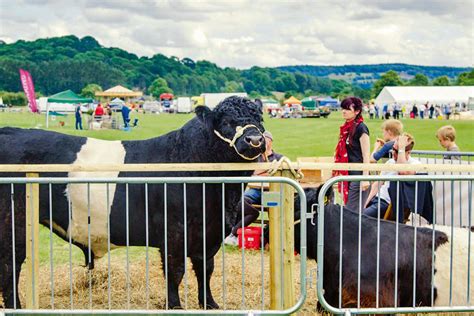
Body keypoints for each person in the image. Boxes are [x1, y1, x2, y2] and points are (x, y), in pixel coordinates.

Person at [224, 131, 283, 246]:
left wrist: (261, 172)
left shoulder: (279, 157)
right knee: (241, 202)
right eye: (263, 140)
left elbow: (286, 170)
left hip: (272, 191)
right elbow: (252, 173)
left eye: (267, 140)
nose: (264, 142)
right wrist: (266, 171)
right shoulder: (255, 157)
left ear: (271, 142)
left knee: (275, 207)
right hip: (256, 189)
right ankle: (232, 233)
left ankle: (269, 238)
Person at [364, 133, 421, 219]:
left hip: (388, 204)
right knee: (353, 213)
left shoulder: (415, 164)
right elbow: (377, 184)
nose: (393, 153)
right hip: (377, 199)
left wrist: (401, 148)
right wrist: (365, 203)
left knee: (360, 217)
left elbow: (402, 171)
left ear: (408, 152)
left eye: (397, 151)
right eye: (393, 149)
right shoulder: (390, 162)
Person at [334, 97, 370, 212]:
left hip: (358, 175)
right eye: (343, 109)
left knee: (351, 213)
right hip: (348, 174)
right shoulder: (345, 129)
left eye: (347, 109)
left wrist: (365, 177)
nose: (344, 111)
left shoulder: (361, 128)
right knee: (351, 212)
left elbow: (366, 154)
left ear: (357, 111)